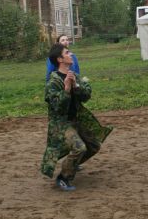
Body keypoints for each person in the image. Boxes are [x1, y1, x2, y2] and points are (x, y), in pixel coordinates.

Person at [41, 43, 112, 191]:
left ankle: (71, 165)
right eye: (67, 53)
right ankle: (64, 177)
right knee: (79, 147)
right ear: (60, 59)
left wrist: (76, 86)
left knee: (93, 146)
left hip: (76, 120)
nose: (71, 54)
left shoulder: (73, 76)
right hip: (61, 124)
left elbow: (86, 96)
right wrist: (66, 90)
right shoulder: (53, 82)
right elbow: (57, 107)